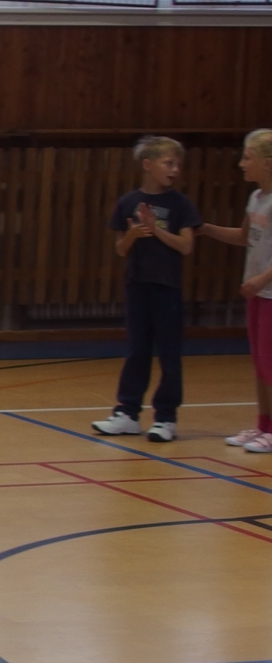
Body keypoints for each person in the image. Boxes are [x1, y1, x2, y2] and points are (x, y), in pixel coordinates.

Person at [91, 135, 203, 444]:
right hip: (137, 286)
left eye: (178, 164)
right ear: (148, 165)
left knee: (169, 355)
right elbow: (120, 249)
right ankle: (127, 413)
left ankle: (166, 418)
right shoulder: (129, 202)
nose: (175, 169)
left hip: (167, 288)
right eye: (169, 163)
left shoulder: (180, 204)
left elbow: (186, 246)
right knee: (137, 351)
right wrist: (133, 235)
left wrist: (156, 230)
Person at [189, 130, 272, 452]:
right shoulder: (256, 199)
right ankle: (263, 425)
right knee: (259, 363)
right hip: (257, 293)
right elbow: (243, 237)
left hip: (268, 292)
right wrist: (207, 229)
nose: (241, 164)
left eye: (247, 158)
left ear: (268, 163)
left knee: (270, 362)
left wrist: (262, 279)